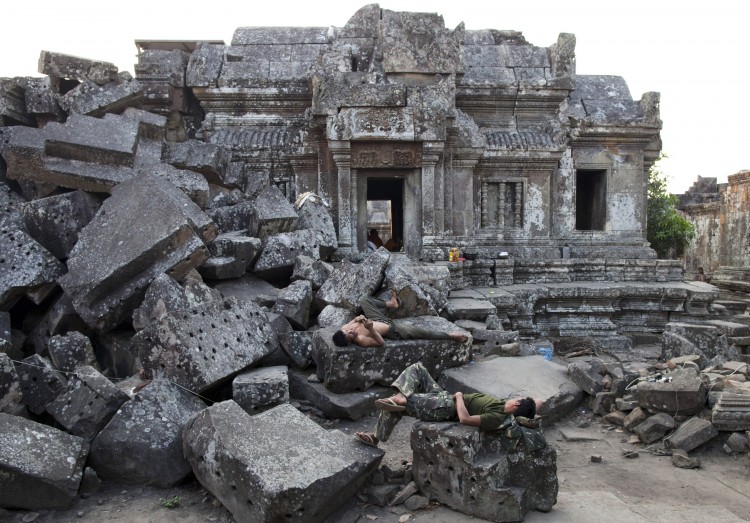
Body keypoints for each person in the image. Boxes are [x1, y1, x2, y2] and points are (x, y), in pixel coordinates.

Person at [354, 362, 540, 447]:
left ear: (516, 403)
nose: (515, 397)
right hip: (444, 397)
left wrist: (459, 397)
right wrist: (531, 410)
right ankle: (401, 396)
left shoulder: (496, 417)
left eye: (519, 398)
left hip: (446, 408)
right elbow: (538, 403)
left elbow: (465, 419)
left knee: (399, 404)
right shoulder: (501, 405)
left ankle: (397, 405)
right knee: (417, 369)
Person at [332, 291, 469, 347]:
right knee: (420, 332)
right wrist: (371, 329)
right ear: (350, 341)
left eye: (348, 332)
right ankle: (451, 336)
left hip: (375, 318)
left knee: (364, 300)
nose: (351, 332)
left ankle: (391, 304)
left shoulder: (344, 328)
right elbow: (380, 343)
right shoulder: (361, 340)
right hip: (392, 329)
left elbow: (356, 318)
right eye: (351, 336)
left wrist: (360, 319)